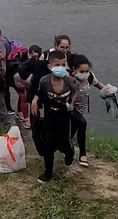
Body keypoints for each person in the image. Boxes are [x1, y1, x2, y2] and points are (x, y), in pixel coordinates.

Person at [32, 50, 78, 183]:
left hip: (64, 116)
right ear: (50, 67)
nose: (61, 67)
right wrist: (35, 101)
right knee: (48, 145)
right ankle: (48, 173)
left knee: (65, 142)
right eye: (57, 65)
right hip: (49, 116)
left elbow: (76, 91)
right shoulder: (44, 81)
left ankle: (70, 152)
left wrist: (71, 104)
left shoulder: (70, 81)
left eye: (63, 64)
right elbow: (39, 92)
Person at [68, 54, 116, 168]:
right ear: (74, 70)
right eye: (82, 71)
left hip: (80, 110)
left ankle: (66, 147)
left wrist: (108, 92)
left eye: (87, 71)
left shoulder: (90, 77)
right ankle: (83, 155)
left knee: (72, 131)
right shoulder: (69, 79)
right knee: (82, 124)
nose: (84, 73)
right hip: (70, 109)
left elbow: (99, 85)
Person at [0, 27, 17, 115]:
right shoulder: (5, 39)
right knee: (5, 88)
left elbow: (3, 55)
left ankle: (9, 108)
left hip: (6, 69)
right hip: (11, 66)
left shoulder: (0, 43)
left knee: (5, 89)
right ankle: (0, 105)